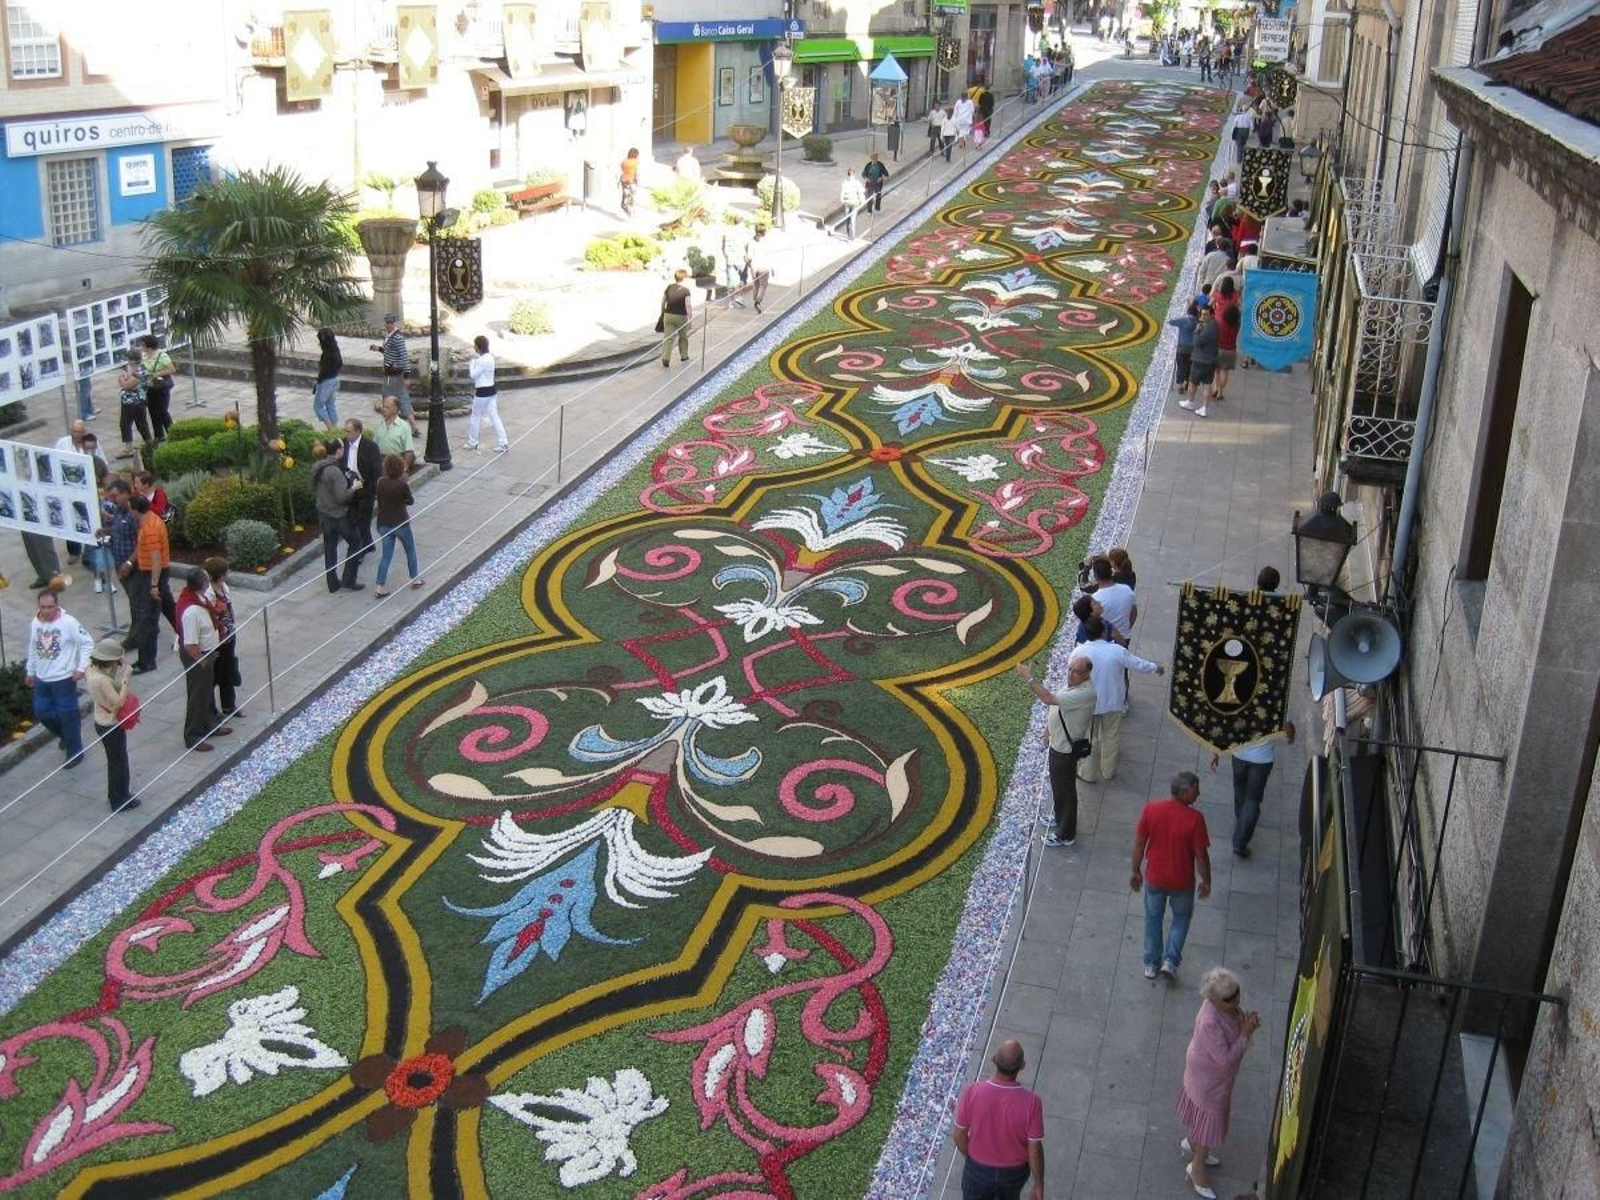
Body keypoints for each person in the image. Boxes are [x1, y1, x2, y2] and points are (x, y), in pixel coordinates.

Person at [1178, 967, 1260, 1198]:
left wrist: (1245, 1027)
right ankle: (1197, 1167)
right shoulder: (1209, 1021)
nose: (1237, 999)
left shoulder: (1227, 1008)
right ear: (1215, 999)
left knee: (1203, 1119)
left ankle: (1192, 1143)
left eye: (1237, 993)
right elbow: (1224, 1059)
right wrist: (1245, 1033)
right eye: (1230, 998)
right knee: (1210, 1122)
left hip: (1211, 1078)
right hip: (1209, 1081)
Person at [1131, 771, 1212, 981]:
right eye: (1195, 790)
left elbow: (1140, 843)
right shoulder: (1195, 819)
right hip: (1182, 881)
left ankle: (1151, 963)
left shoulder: (1152, 809)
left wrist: (1135, 870)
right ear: (1184, 792)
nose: (1199, 794)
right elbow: (1201, 855)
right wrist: (1206, 880)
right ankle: (1170, 961)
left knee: (1153, 918)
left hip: (1155, 877)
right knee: (1182, 918)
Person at [1072, 616, 1164, 782]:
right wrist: (1156, 668)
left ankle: (1088, 773)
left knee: (1089, 738)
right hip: (1113, 702)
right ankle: (1108, 771)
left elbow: (1072, 677)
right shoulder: (1116, 651)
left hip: (1089, 704)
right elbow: (1138, 664)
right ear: (1104, 631)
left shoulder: (1078, 652)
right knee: (1111, 736)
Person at [951, 1039, 1045, 1200]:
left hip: (978, 1169)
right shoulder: (1032, 1103)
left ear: (994, 1060)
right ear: (1022, 1066)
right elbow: (1034, 1150)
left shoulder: (972, 1092)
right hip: (1014, 1172)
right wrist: (1038, 1185)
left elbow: (959, 1136)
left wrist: (973, 1158)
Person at [1017, 657, 1095, 847]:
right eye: (1069, 669)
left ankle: (1066, 834)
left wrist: (1029, 678)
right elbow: (1057, 708)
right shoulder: (1075, 686)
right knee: (1059, 787)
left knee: (1066, 791)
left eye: (1076, 671)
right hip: (1058, 745)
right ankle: (1060, 818)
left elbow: (1048, 698)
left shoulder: (1085, 693)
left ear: (1086, 675)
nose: (1070, 674)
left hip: (1065, 751)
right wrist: (1048, 730)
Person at [25, 587, 93, 769]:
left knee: (68, 714)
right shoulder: (35, 623)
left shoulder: (69, 623)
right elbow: (33, 647)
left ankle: (75, 751)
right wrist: (30, 671)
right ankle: (66, 735)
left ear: (57, 606)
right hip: (42, 679)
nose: (46, 611)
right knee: (42, 712)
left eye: (50, 607)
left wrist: (81, 668)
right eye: (43, 607)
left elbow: (87, 643)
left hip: (63, 679)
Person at [178, 566, 231, 752]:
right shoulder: (191, 611)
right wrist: (202, 661)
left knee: (207, 691)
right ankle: (193, 735)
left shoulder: (200, 599)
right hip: (199, 657)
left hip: (207, 654)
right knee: (197, 696)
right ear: (202, 584)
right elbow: (190, 644)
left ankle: (210, 723)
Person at [87, 637, 139, 811]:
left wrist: (119, 660)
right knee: (119, 763)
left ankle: (115, 795)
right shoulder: (103, 680)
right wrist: (125, 678)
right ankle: (120, 799)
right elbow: (118, 702)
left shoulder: (91, 670)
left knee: (113, 762)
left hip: (100, 720)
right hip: (111, 724)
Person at [123, 493, 172, 672]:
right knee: (163, 609)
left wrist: (153, 585)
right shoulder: (150, 520)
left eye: (130, 509)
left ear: (136, 510)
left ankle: (147, 661)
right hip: (152, 573)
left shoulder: (150, 528)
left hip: (153, 574)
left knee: (148, 619)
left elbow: (156, 559)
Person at [313, 438, 365, 593]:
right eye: (343, 448)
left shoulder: (318, 466)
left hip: (324, 514)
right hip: (338, 515)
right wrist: (354, 487)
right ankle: (348, 579)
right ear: (338, 451)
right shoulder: (334, 471)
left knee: (330, 547)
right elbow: (342, 497)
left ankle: (332, 582)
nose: (344, 450)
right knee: (356, 543)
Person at [374, 452, 424, 597]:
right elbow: (410, 501)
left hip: (384, 523)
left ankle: (380, 585)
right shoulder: (401, 485)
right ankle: (415, 578)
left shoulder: (380, 482)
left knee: (386, 555)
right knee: (410, 550)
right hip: (401, 523)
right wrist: (406, 484)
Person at [204, 557, 243, 721]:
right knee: (215, 674)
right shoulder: (207, 593)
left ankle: (229, 705)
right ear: (220, 575)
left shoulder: (223, 587)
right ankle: (211, 711)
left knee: (228, 669)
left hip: (229, 635)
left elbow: (229, 605)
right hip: (216, 640)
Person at [341, 418, 382, 566]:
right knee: (352, 520)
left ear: (358, 431)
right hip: (350, 489)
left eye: (348, 431)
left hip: (366, 491)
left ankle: (359, 552)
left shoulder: (370, 447)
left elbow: (377, 471)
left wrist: (367, 483)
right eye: (345, 431)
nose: (346, 434)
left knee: (362, 522)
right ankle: (368, 544)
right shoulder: (344, 444)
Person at [369, 314, 417, 435]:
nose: (388, 324)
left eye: (390, 322)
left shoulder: (397, 338)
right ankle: (413, 427)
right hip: (390, 373)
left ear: (394, 323)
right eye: (387, 322)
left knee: (388, 399)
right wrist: (378, 349)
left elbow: (404, 357)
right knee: (402, 397)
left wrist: (406, 376)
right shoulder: (388, 336)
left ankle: (389, 425)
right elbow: (389, 352)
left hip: (393, 374)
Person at [1085, 556, 1136, 643]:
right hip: (1124, 638)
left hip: (1105, 641)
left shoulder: (1095, 599)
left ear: (1095, 576)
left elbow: (1091, 625)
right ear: (1111, 572)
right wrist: (1125, 630)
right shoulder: (1127, 589)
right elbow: (1134, 614)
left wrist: (1085, 568)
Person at [1182, 301, 1218, 418]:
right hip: (1210, 360)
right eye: (1202, 314)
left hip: (1200, 360)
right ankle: (1203, 407)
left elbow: (1197, 341)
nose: (1203, 317)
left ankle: (1190, 402)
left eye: (1206, 314)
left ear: (1211, 315)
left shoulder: (1208, 329)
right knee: (1207, 384)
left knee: (1193, 382)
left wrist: (1197, 330)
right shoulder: (1214, 325)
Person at [116, 348, 154, 459]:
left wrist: (122, 379)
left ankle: (148, 445)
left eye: (128, 359)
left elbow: (126, 385)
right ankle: (129, 447)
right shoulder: (132, 369)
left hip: (135, 402)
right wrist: (124, 379)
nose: (127, 361)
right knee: (125, 424)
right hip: (128, 401)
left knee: (140, 423)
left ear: (133, 360)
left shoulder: (139, 372)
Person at [138, 335, 176, 443]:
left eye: (143, 345)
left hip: (161, 388)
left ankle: (172, 433)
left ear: (148, 347)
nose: (141, 347)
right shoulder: (144, 356)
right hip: (150, 388)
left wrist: (157, 373)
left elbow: (172, 369)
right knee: (152, 412)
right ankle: (159, 435)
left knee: (162, 411)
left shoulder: (161, 356)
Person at [659, 268, 693, 367]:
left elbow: (663, 301)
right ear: (685, 279)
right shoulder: (686, 290)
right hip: (681, 316)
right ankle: (684, 355)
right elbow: (688, 305)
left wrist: (663, 313)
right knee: (683, 336)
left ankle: (665, 357)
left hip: (668, 315)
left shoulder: (669, 287)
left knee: (668, 337)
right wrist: (690, 320)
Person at [374, 394, 416, 470]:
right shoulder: (379, 424)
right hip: (382, 461)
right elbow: (374, 446)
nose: (383, 409)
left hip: (396, 463)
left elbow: (409, 451)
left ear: (395, 409)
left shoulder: (404, 427)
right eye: (383, 406)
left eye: (386, 407)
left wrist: (405, 468)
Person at [1169, 299, 1199, 403]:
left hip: (1182, 348)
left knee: (1181, 366)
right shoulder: (1197, 322)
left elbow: (1171, 322)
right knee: (1189, 366)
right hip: (1192, 349)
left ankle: (1180, 385)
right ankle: (1187, 382)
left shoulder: (1183, 321)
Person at [314, 328, 342, 429]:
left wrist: (319, 380)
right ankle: (334, 428)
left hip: (327, 381)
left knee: (318, 406)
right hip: (335, 379)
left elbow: (324, 370)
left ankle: (330, 428)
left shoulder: (327, 353)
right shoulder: (335, 349)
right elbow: (340, 363)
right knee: (330, 405)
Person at [721, 224, 750, 307]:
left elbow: (722, 246)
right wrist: (746, 257)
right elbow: (746, 247)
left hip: (730, 260)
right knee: (742, 279)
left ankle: (731, 302)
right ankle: (739, 297)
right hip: (741, 260)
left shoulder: (726, 233)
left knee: (730, 282)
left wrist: (725, 255)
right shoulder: (743, 233)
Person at [747, 228, 771, 314]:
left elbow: (749, 257)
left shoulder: (751, 242)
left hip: (754, 266)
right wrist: (772, 268)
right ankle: (758, 301)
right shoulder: (765, 242)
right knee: (763, 285)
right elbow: (768, 255)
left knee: (756, 284)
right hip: (764, 266)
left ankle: (755, 298)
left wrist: (750, 265)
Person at [838, 169, 866, 240]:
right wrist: (863, 201)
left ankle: (849, 234)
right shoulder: (857, 182)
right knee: (852, 219)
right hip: (854, 202)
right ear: (854, 175)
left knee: (847, 218)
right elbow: (861, 191)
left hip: (848, 202)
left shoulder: (845, 183)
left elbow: (843, 192)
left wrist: (842, 199)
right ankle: (852, 235)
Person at [619, 147, 640, 216]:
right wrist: (637, 181)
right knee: (631, 195)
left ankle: (624, 205)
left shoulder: (624, 161)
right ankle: (629, 209)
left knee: (625, 194)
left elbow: (622, 168)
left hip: (623, 180)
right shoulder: (635, 162)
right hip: (631, 180)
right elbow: (636, 173)